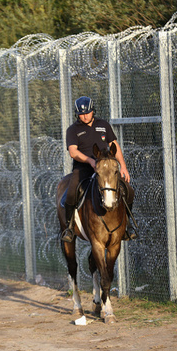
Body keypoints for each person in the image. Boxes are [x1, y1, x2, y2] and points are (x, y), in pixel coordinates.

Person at [61, 96, 137, 242]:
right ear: (77, 114)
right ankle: (69, 228)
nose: (85, 116)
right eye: (81, 114)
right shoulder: (72, 130)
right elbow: (73, 152)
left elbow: (114, 145)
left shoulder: (103, 125)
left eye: (88, 112)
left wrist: (123, 167)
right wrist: (90, 160)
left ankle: (127, 226)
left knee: (128, 190)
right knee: (70, 194)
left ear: (93, 111)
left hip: (106, 168)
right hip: (83, 167)